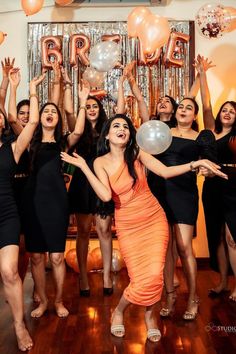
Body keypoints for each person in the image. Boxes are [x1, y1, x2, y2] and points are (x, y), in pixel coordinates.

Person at [61, 114, 226, 341]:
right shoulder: (100, 162)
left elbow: (165, 172)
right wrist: (84, 167)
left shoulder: (136, 153)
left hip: (153, 218)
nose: (122, 129)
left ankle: (150, 316)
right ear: (107, 134)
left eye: (126, 127)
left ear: (130, 135)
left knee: (154, 274)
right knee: (140, 278)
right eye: (116, 126)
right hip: (129, 224)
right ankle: (119, 310)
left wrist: (194, 163)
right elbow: (106, 195)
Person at [22, 71, 85, 318]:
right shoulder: (30, 142)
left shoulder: (63, 143)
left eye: (54, 112)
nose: (50, 114)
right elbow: (32, 121)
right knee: (36, 257)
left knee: (57, 257)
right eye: (46, 111)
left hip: (57, 203)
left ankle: (58, 301)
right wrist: (33, 91)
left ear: (58, 119)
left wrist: (82, 98)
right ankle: (43, 301)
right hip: (32, 202)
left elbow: (79, 130)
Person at [0, 69, 45, 351]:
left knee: (9, 271)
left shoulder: (12, 149)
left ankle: (18, 325)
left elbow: (34, 122)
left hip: (6, 212)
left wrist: (29, 88)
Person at [66, 78, 114, 296]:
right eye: (88, 106)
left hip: (103, 182)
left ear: (101, 109)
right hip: (82, 184)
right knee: (83, 231)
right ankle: (83, 277)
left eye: (96, 106)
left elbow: (121, 110)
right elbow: (68, 111)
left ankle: (106, 277)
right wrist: (81, 99)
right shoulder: (79, 129)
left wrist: (122, 85)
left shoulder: (107, 130)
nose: (92, 109)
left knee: (104, 230)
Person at [195, 55, 236, 301]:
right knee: (217, 235)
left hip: (234, 186)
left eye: (233, 111)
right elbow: (207, 104)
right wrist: (203, 75)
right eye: (226, 110)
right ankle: (222, 282)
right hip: (212, 187)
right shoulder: (211, 131)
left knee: (233, 237)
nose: (228, 112)